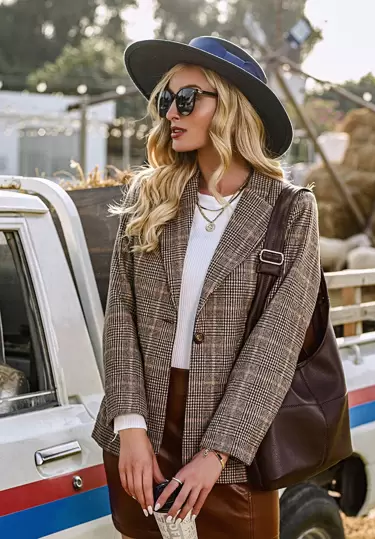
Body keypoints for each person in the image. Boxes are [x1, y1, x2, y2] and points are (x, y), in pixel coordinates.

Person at [92, 35, 321, 539]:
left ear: (231, 107)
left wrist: (218, 452)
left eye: (187, 98)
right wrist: (129, 426)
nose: (171, 112)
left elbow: (276, 343)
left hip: (234, 442)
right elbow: (121, 316)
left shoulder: (291, 210)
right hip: (140, 436)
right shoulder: (149, 196)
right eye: (165, 99)